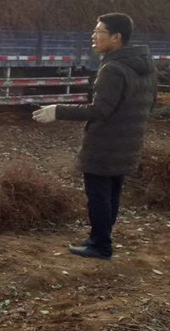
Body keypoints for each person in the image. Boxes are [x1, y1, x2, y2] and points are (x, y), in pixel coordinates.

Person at [32, 13, 156, 260]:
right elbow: (150, 103)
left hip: (106, 145)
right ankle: (100, 239)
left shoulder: (113, 68)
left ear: (116, 37)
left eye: (99, 31)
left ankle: (100, 246)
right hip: (129, 142)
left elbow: (99, 110)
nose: (94, 36)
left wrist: (58, 111)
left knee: (99, 196)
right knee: (112, 194)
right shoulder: (145, 64)